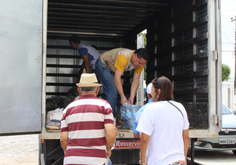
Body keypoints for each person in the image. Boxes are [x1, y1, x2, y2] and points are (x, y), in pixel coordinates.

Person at [60, 73, 116, 165]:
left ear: (79, 90)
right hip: (97, 160)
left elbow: (63, 139)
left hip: (72, 160)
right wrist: (108, 149)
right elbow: (111, 134)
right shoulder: (104, 106)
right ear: (97, 90)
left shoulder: (68, 109)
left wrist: (69, 154)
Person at [137, 76, 190, 165]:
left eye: (153, 90)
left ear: (159, 92)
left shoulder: (150, 109)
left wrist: (142, 162)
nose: (151, 92)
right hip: (178, 162)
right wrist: (184, 158)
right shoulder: (180, 108)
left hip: (158, 162)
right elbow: (186, 137)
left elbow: (144, 139)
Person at [95, 48, 149, 117]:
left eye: (142, 64)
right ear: (135, 55)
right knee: (112, 91)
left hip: (112, 68)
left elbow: (136, 80)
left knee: (115, 91)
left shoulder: (140, 64)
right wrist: (122, 96)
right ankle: (110, 119)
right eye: (139, 62)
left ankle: (113, 115)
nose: (140, 65)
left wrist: (132, 97)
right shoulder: (123, 57)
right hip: (103, 63)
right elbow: (117, 78)